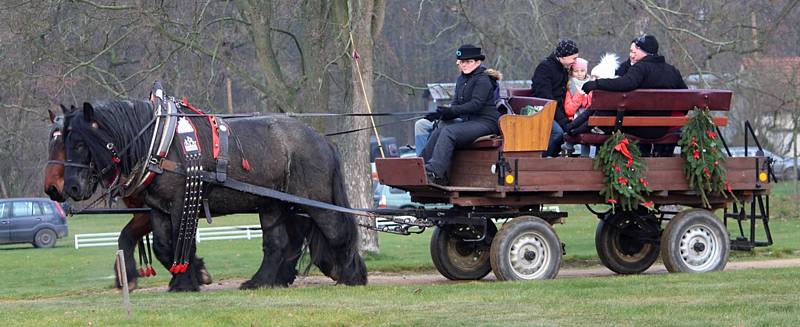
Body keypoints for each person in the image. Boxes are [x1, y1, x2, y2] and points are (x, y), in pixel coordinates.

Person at [581, 34, 688, 156]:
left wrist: (596, 84)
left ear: (645, 51)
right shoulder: (672, 71)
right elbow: (685, 99)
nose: (632, 54)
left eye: (636, 50)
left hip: (637, 127)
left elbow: (626, 83)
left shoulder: (640, 68)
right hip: (662, 128)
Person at [421, 44, 502, 185]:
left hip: (486, 123)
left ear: (477, 62)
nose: (464, 65)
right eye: (462, 62)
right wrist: (441, 114)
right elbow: (457, 104)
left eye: (468, 62)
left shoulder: (483, 79)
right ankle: (420, 165)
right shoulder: (461, 79)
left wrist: (452, 111)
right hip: (469, 121)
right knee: (439, 131)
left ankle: (435, 173)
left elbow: (476, 104)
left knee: (449, 132)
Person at [531, 39, 580, 157]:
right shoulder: (545, 68)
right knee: (558, 133)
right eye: (573, 58)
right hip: (542, 110)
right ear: (563, 57)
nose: (575, 62)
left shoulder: (563, 69)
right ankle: (541, 160)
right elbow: (547, 99)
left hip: (557, 111)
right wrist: (563, 121)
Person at [562, 58, 593, 156]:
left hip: (588, 119)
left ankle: (584, 158)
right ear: (571, 72)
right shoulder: (570, 87)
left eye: (582, 70)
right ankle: (568, 153)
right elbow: (569, 110)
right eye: (576, 71)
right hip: (574, 119)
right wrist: (579, 96)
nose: (579, 74)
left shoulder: (592, 84)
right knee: (571, 137)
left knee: (586, 136)